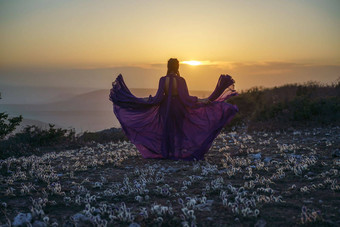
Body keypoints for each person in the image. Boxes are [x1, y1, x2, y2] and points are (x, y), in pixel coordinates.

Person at [109, 58, 238, 160]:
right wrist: (199, 100)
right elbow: (185, 98)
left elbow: (158, 98)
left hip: (165, 108)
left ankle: (167, 153)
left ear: (168, 67)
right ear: (177, 67)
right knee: (179, 130)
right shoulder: (181, 80)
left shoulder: (162, 80)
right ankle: (179, 153)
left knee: (167, 130)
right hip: (178, 108)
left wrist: (144, 101)